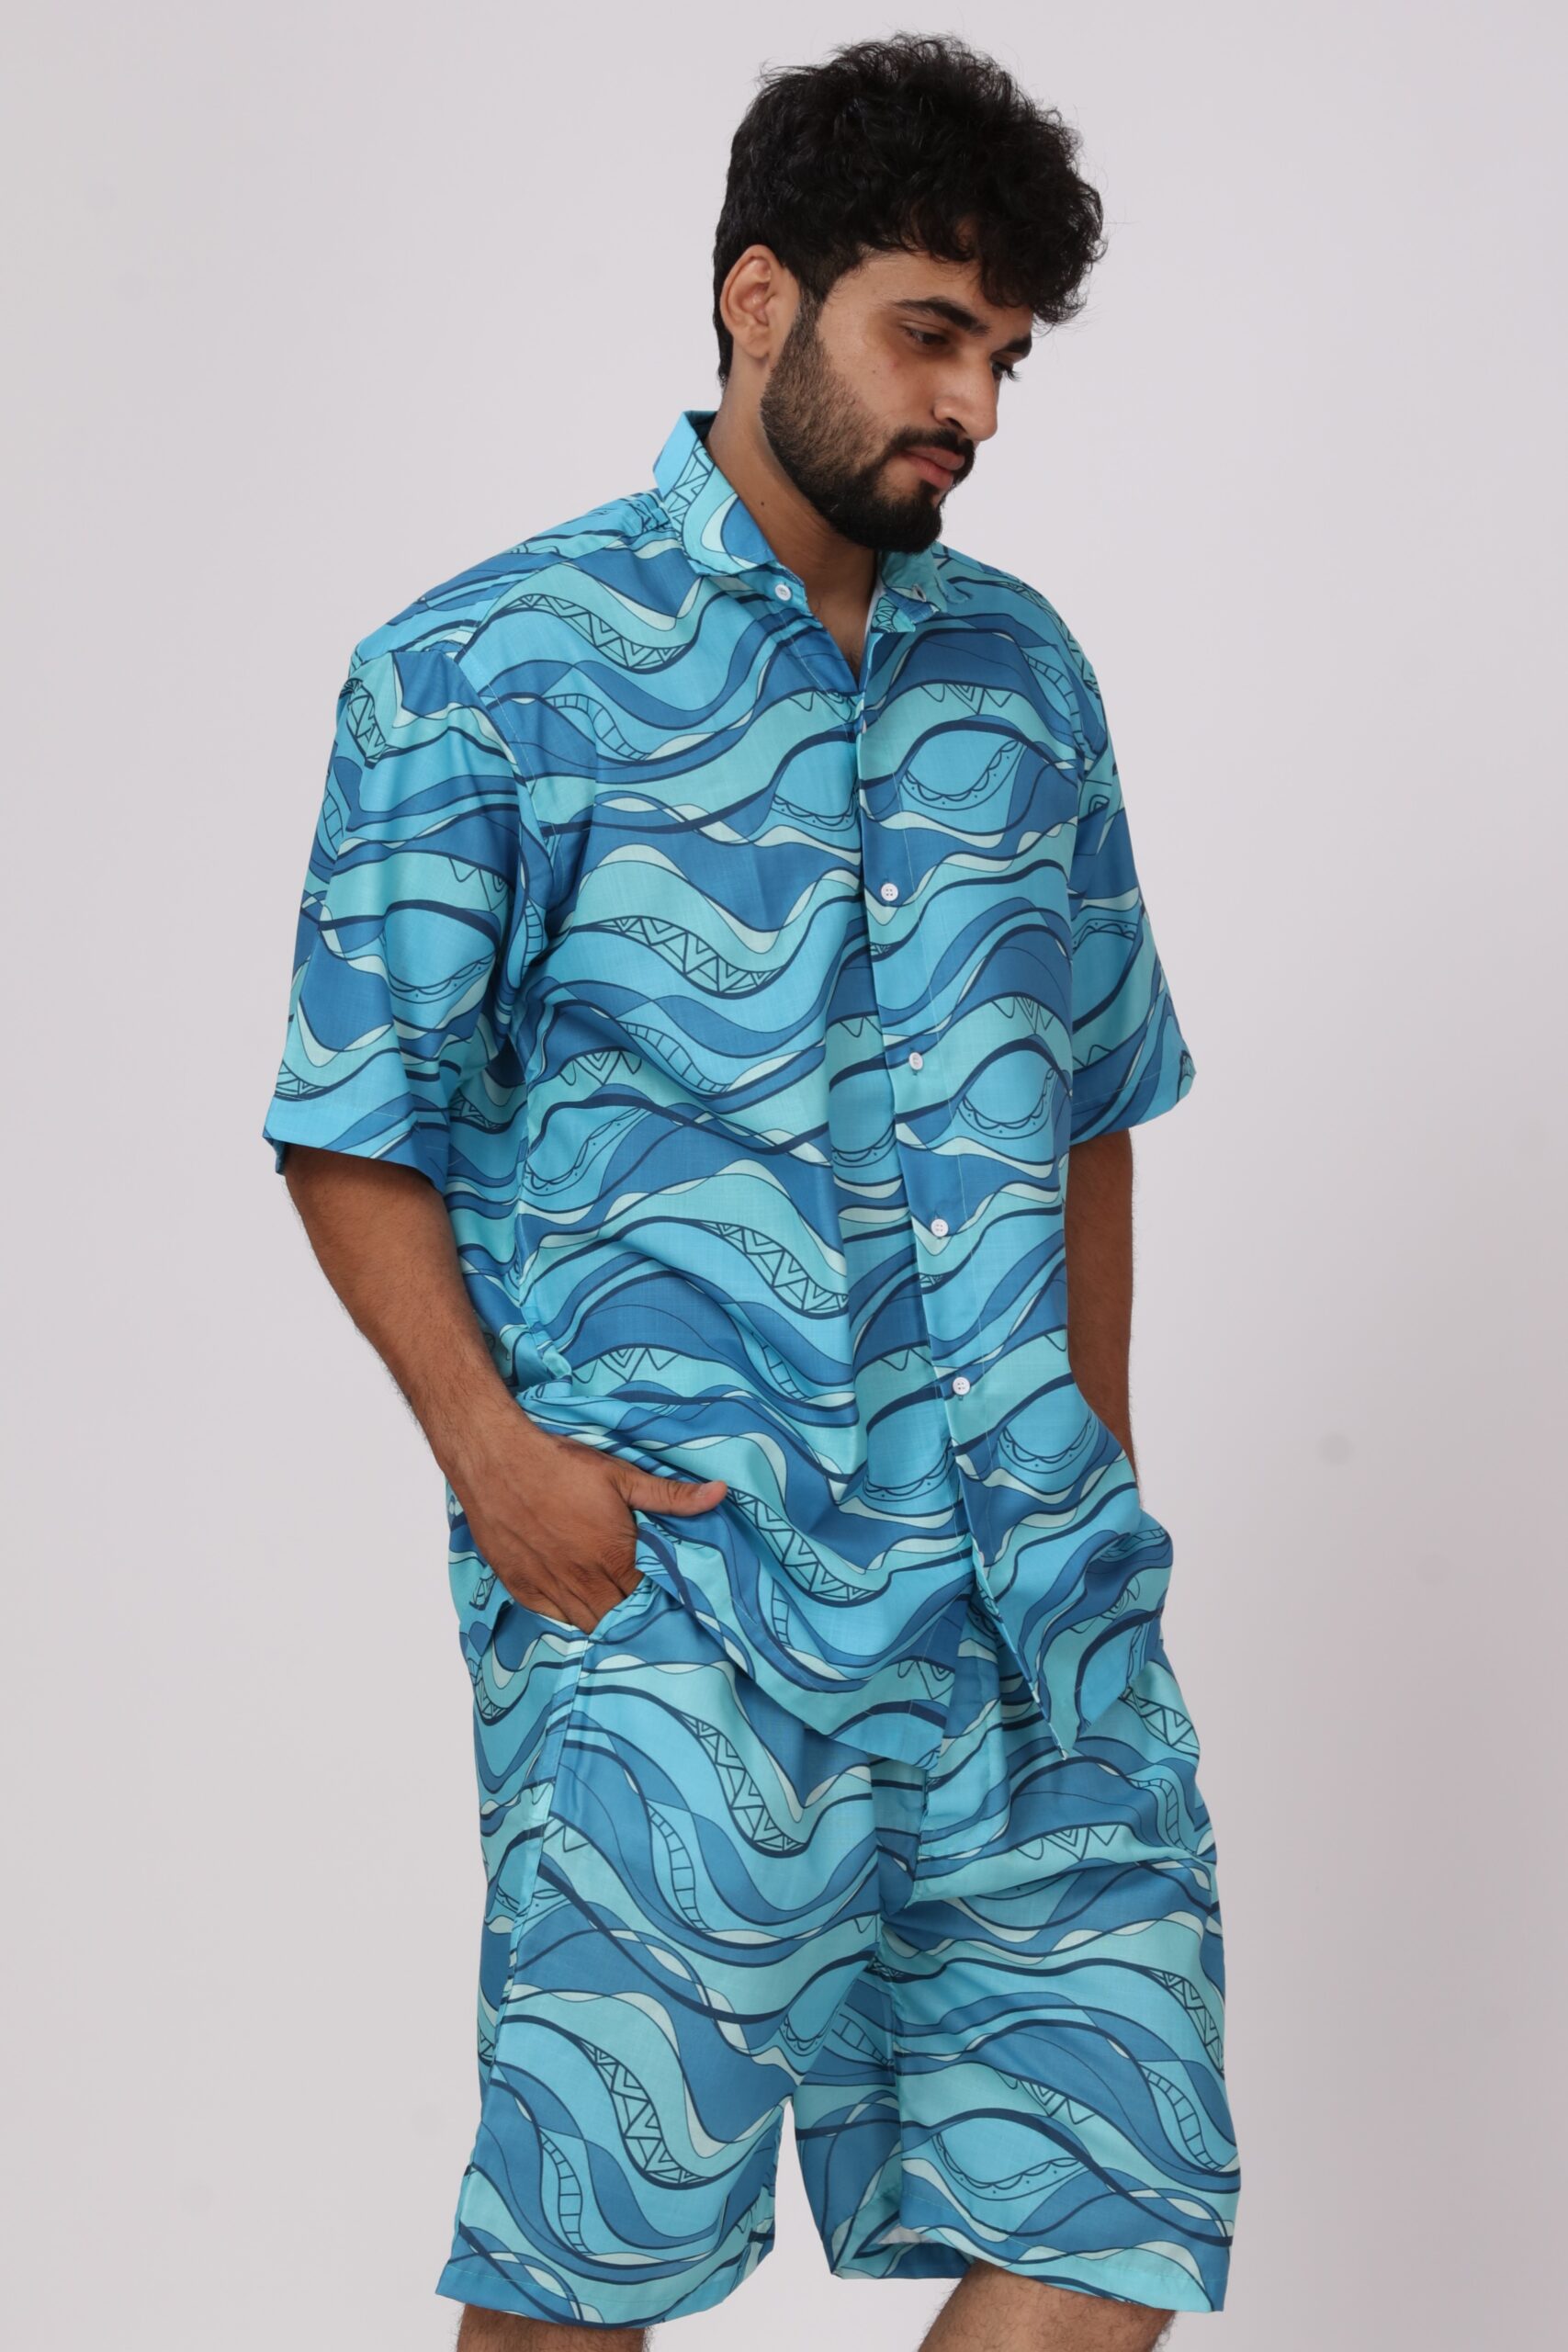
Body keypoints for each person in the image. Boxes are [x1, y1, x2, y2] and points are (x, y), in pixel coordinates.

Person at [261, 30, 1239, 2350]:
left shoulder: (1024, 678)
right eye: (930, 333)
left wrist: (1091, 1459)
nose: (971, 406)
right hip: (676, 1603)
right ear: (757, 297)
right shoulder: (482, 672)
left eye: (1003, 359)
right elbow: (350, 1113)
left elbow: (1091, 1093)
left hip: (1022, 1610)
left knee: (1115, 2199)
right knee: (585, 2250)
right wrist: (495, 1461)